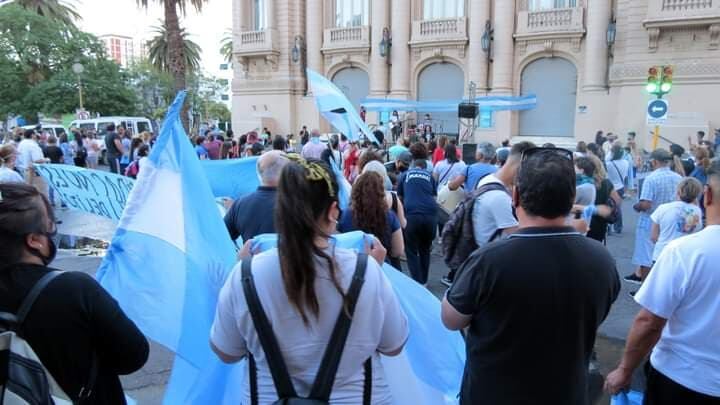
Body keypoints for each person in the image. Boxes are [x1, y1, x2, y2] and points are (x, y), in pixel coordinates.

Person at [210, 158, 408, 404]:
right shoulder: (367, 270)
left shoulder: (245, 275)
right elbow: (394, 345)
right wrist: (373, 273)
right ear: (334, 210)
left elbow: (226, 351)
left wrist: (240, 267)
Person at [442, 147, 620, 405]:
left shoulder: (488, 260)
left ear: (515, 195)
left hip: (494, 394)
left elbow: (451, 319)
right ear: (571, 198)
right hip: (566, 393)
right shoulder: (602, 259)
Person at [0, 182, 149, 403]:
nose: (53, 230)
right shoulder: (75, 289)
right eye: (50, 223)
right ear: (34, 240)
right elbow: (133, 355)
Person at [605, 159, 720, 404]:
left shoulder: (685, 252)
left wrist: (625, 370)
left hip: (682, 379)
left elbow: (649, 322)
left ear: (707, 195)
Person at [440, 142, 533, 287]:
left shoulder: (488, 180)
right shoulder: (499, 198)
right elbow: (521, 240)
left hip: (477, 258)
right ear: (520, 166)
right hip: (490, 270)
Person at [627, 149, 683, 289]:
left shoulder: (651, 178)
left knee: (646, 256)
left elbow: (646, 204)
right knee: (666, 254)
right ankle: (664, 287)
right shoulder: (678, 177)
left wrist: (637, 206)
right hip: (671, 219)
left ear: (655, 161)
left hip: (650, 221)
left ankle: (646, 289)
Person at [338, 172, 404, 265]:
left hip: (353, 266)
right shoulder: (390, 216)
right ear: (381, 192)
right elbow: (398, 251)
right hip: (384, 267)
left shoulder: (346, 215)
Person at [224, 151, 289, 243]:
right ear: (287, 173)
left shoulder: (240, 204)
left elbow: (222, 237)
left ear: (258, 174)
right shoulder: (300, 204)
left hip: (252, 256)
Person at [397, 151, 437, 285]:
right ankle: (424, 281)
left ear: (413, 165)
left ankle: (417, 282)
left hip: (412, 215)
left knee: (411, 250)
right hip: (430, 216)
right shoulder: (430, 176)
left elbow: (400, 199)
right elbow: (434, 196)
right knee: (425, 248)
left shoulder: (404, 175)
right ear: (425, 168)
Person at [650, 177, 703, 264]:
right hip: (685, 257)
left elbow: (653, 237)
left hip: (662, 254)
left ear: (678, 191)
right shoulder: (697, 211)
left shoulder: (663, 208)